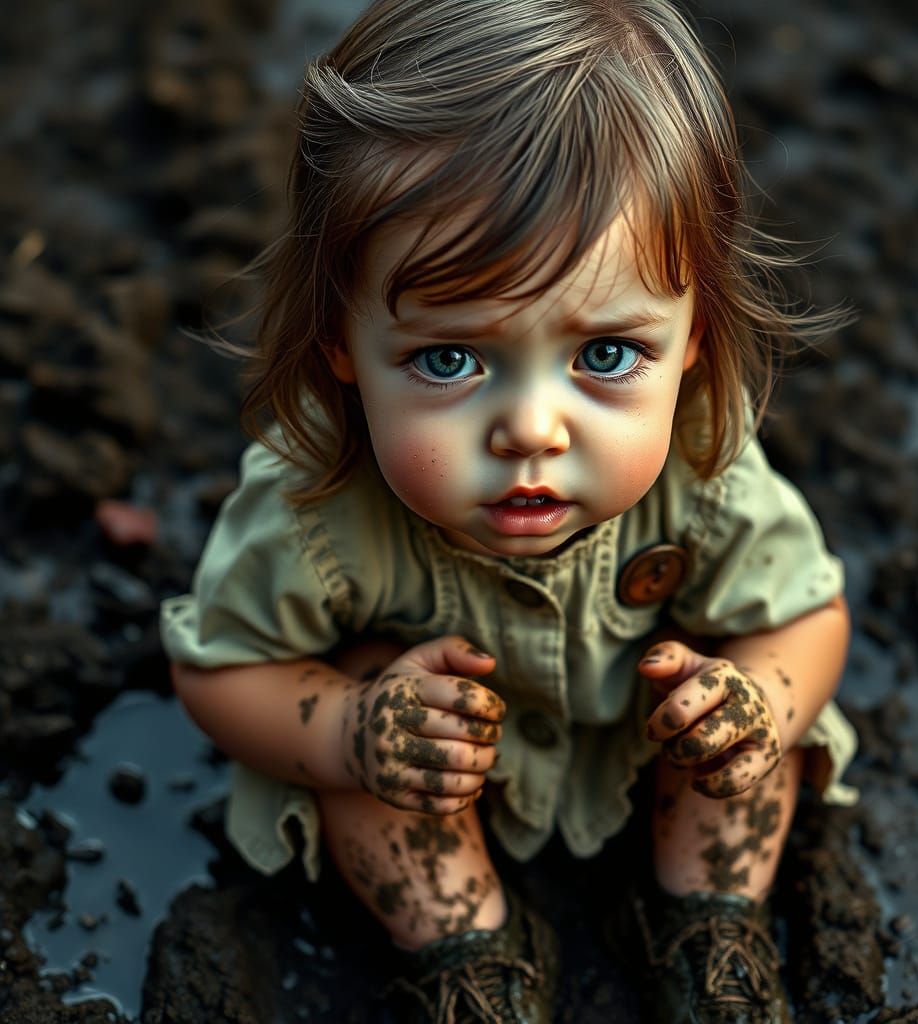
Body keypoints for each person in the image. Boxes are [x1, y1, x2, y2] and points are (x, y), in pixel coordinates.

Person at [161, 1, 858, 1021]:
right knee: (352, 719)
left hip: (642, 743)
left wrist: (759, 702)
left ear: (693, 332)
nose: (531, 429)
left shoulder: (704, 474)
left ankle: (712, 926)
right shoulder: (311, 504)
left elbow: (808, 614)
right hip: (431, 772)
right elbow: (219, 667)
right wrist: (355, 731)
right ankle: (466, 953)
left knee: (750, 712)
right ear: (340, 342)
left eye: (605, 356)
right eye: (449, 359)